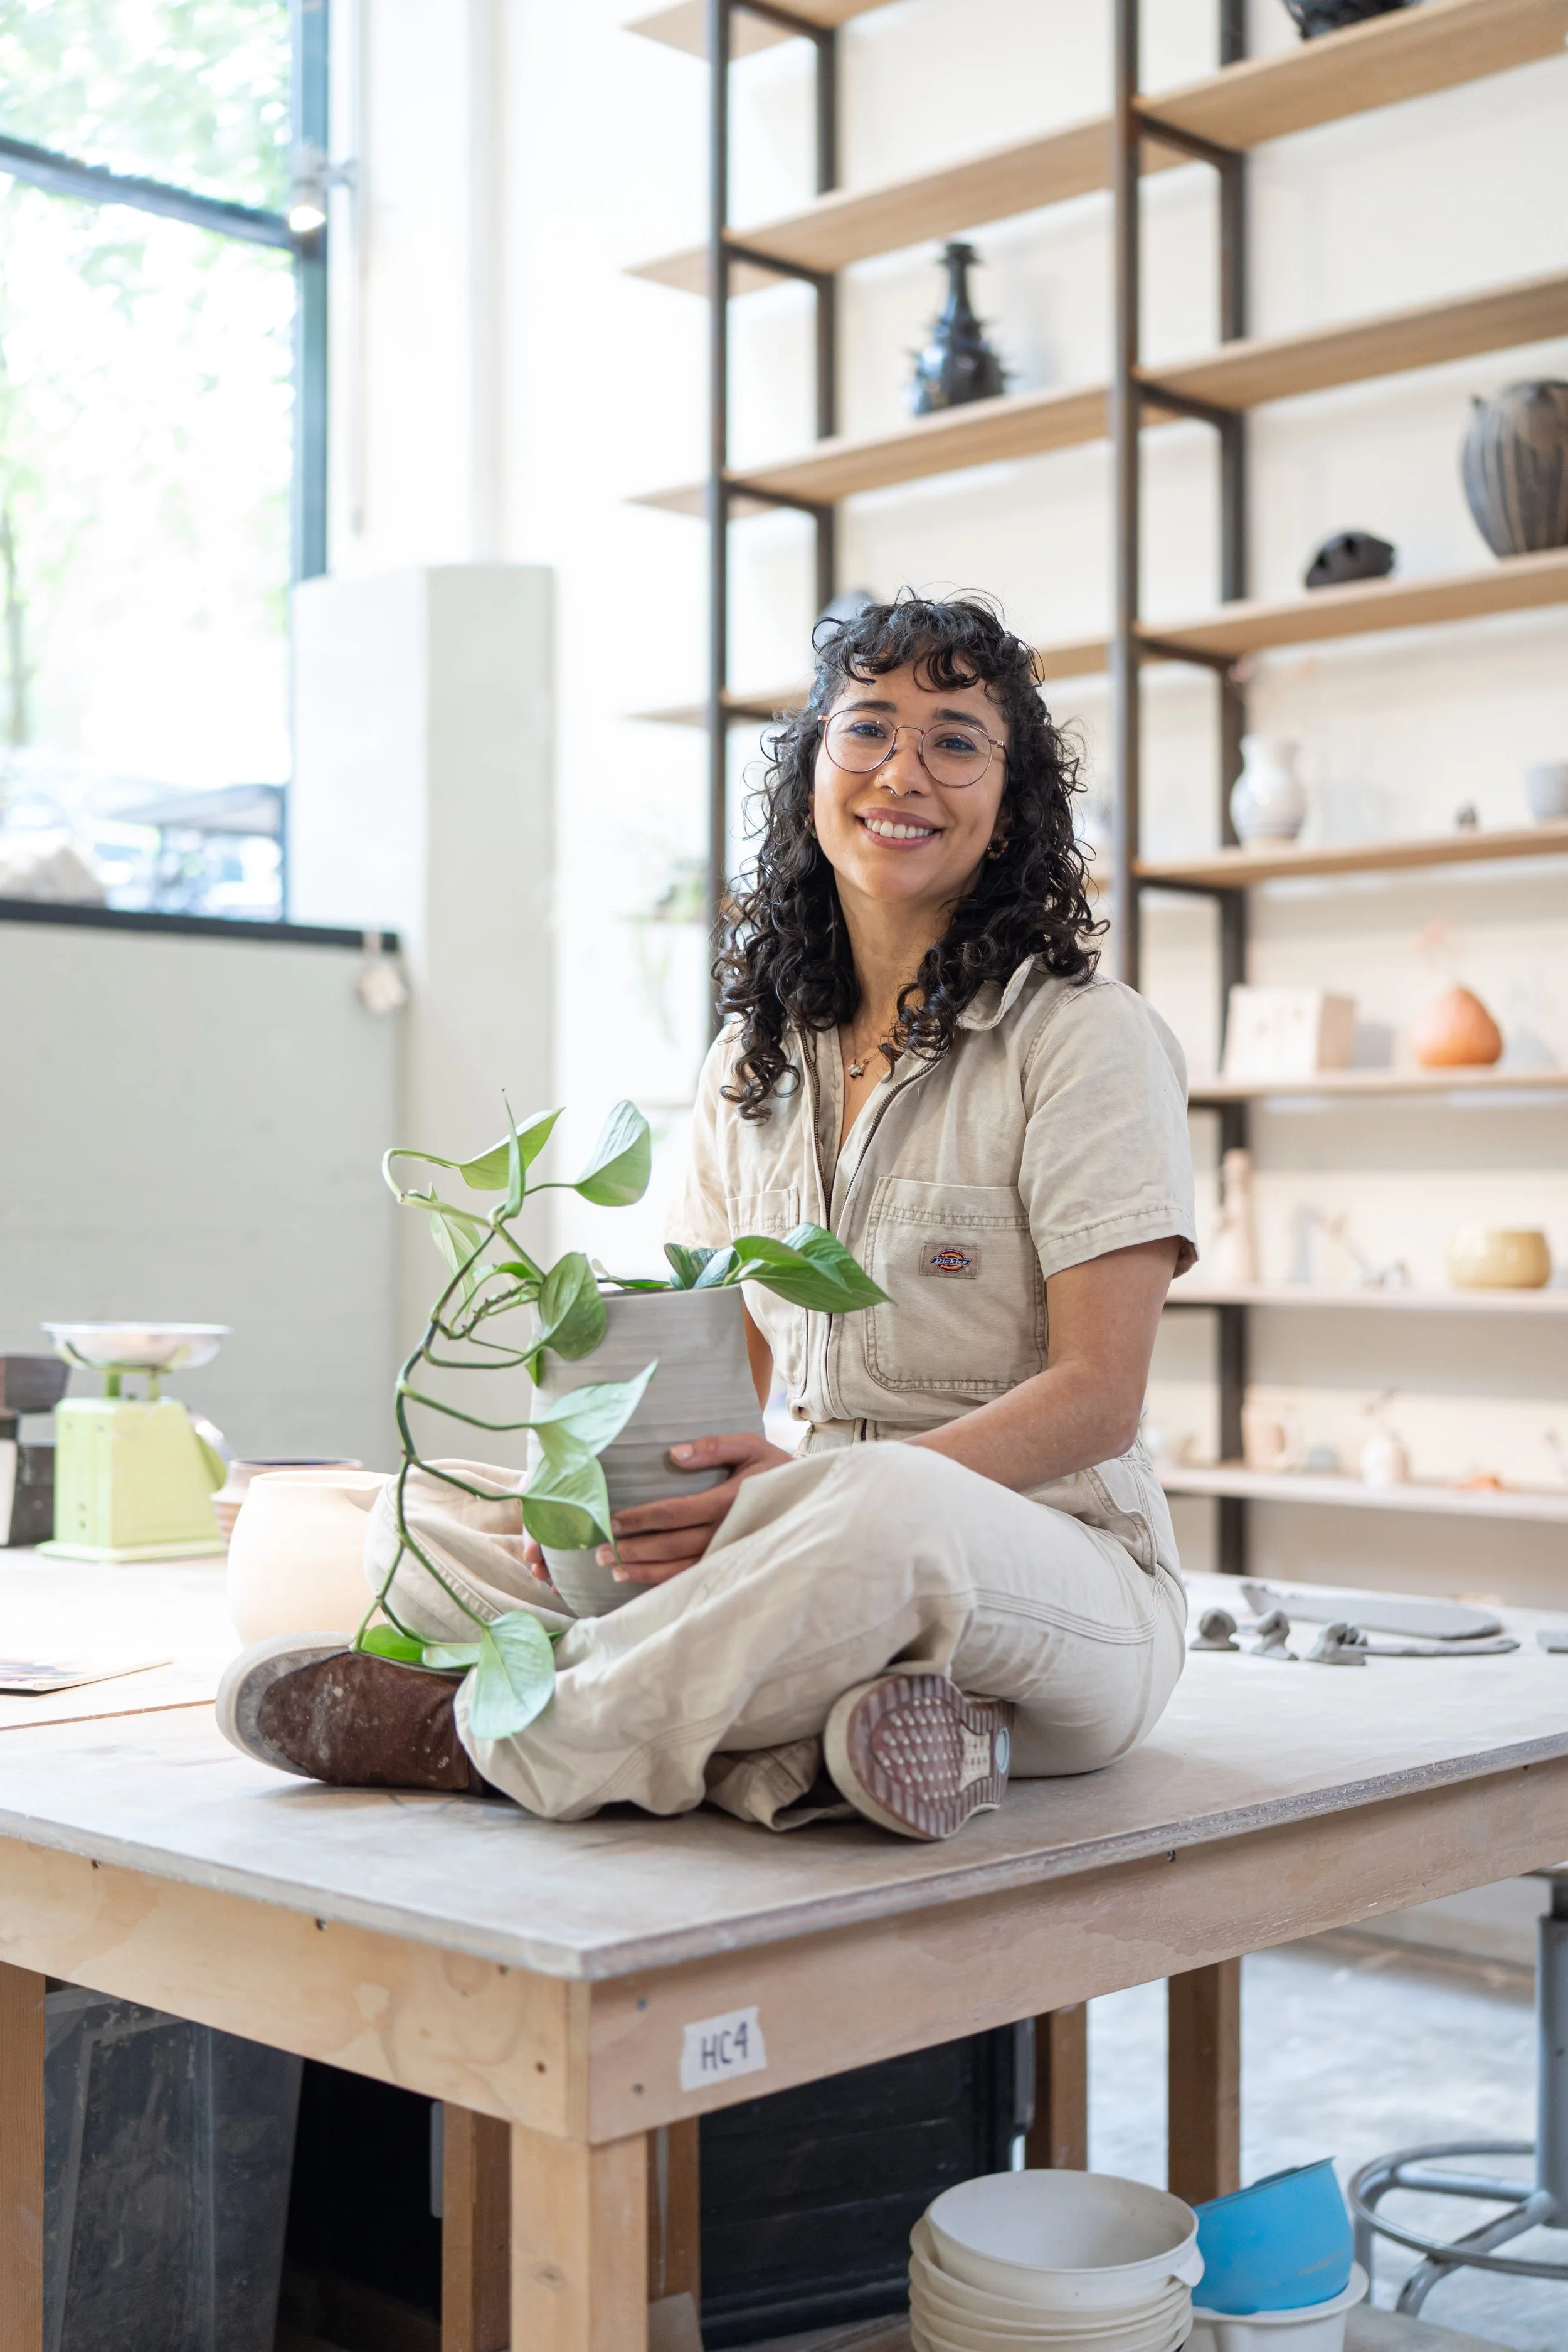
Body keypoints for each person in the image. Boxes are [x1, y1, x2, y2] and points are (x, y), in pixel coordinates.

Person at [218, 595, 1197, 1841]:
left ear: (1010, 808)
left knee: (876, 1507)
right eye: (868, 730)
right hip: (801, 1562)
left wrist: (793, 1506)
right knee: (432, 1520)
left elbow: (1097, 1398)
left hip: (1058, 1587)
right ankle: (819, 1751)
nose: (904, 770)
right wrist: (590, 1504)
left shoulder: (1082, 1036)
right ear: (810, 776)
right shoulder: (753, 1060)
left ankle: (489, 1740)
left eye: (955, 741)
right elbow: (716, 1370)